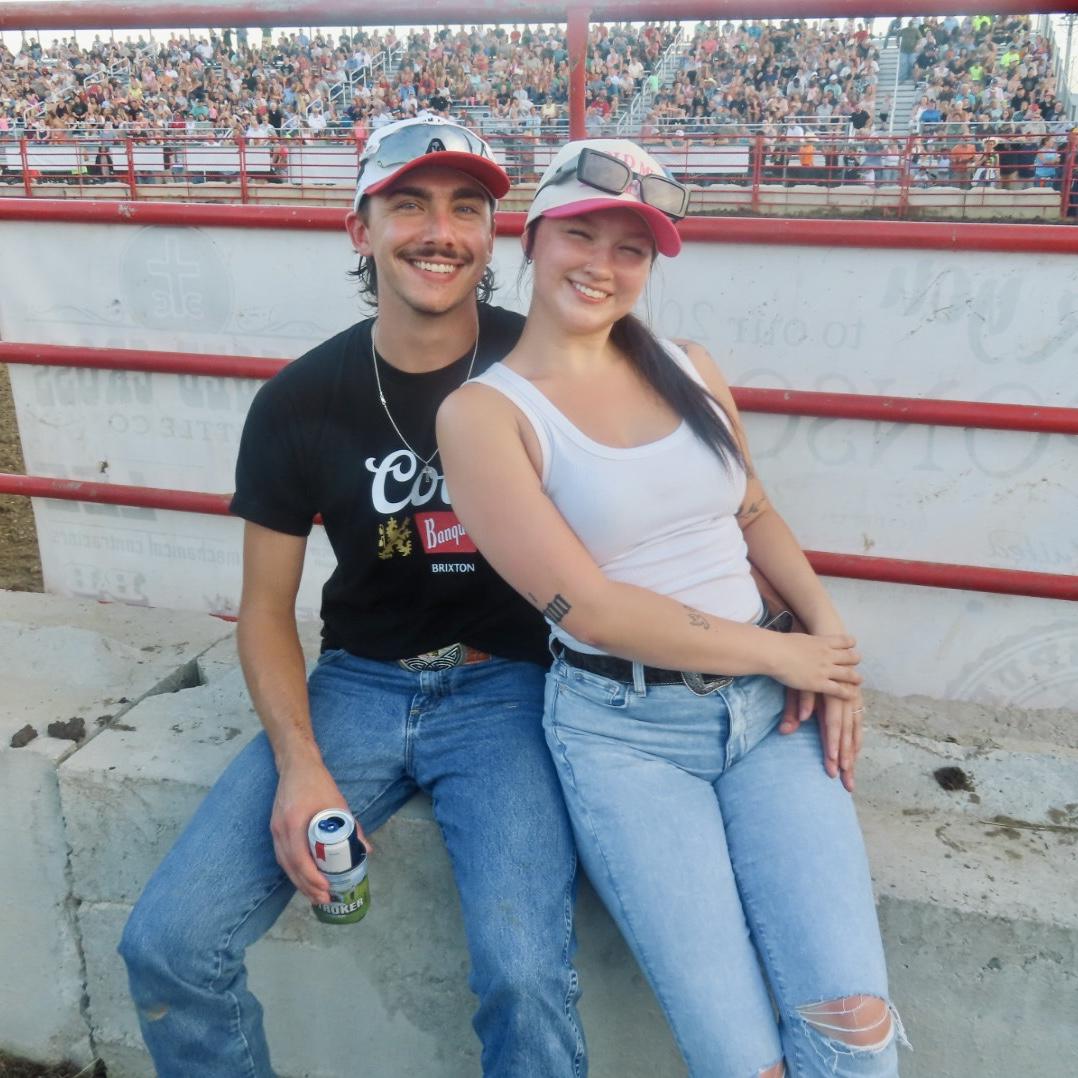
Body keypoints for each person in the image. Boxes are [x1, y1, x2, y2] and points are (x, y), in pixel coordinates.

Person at [119, 116, 586, 1078]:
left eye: (466, 208)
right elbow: (263, 608)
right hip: (359, 686)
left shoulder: (551, 367)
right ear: (359, 230)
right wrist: (300, 764)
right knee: (168, 944)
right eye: (408, 205)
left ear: (491, 235)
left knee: (527, 977)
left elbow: (687, 498)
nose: (439, 232)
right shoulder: (299, 399)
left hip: (511, 692)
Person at [437, 139, 907, 1077]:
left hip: (772, 719)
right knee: (741, 1059)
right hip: (627, 737)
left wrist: (829, 648)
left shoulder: (688, 367)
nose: (603, 265)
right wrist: (780, 654)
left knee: (856, 1027)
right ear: (533, 237)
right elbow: (593, 610)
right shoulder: (485, 415)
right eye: (582, 234)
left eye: (632, 249)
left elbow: (754, 512)